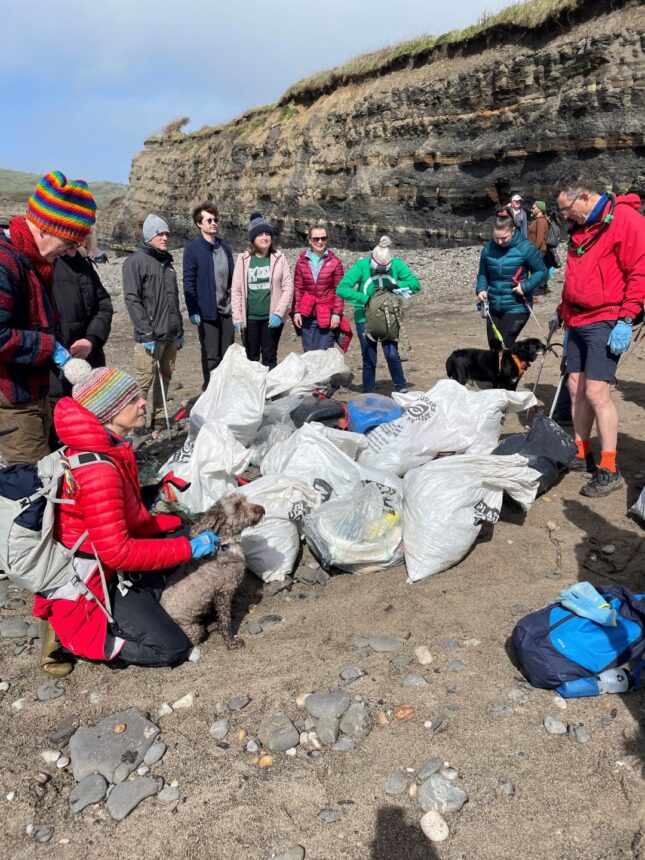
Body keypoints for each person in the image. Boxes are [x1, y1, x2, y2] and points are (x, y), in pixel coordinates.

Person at [32, 359, 219, 672]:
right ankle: (79, 639)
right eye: (132, 400)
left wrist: (163, 502)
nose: (143, 401)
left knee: (180, 534)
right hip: (91, 577)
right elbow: (117, 553)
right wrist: (189, 547)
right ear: (108, 413)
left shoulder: (109, 446)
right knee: (171, 647)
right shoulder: (99, 471)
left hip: (101, 560)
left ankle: (135, 603)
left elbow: (120, 517)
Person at [554, 173, 645, 497]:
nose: (564, 216)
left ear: (584, 197)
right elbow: (574, 277)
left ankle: (609, 467)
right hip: (577, 319)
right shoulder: (581, 228)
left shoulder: (625, 220)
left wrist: (626, 317)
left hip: (606, 318)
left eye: (566, 208)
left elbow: (639, 270)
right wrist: (564, 315)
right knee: (575, 385)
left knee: (596, 392)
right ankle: (582, 451)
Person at [0, 171, 96, 465]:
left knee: (48, 471)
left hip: (34, 391)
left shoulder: (33, 260)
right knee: (32, 486)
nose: (70, 252)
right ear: (44, 228)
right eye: (69, 243)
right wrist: (49, 347)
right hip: (14, 400)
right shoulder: (6, 262)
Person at [122, 214, 184, 433]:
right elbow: (132, 299)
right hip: (149, 335)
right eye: (160, 233)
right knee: (143, 380)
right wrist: (145, 332)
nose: (165, 237)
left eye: (166, 233)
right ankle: (137, 421)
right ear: (150, 236)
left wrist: (180, 330)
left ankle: (159, 416)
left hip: (170, 334)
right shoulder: (135, 262)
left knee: (165, 376)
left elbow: (173, 299)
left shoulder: (168, 263)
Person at [336, 236, 421, 393]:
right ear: (371, 260)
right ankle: (369, 391)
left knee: (392, 354)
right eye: (377, 270)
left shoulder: (396, 265)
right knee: (369, 357)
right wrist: (365, 299)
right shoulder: (361, 266)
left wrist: (395, 284)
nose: (380, 273)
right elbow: (342, 288)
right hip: (365, 318)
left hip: (389, 317)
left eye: (384, 270)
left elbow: (415, 284)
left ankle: (401, 387)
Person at [49, 232, 114, 415]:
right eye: (70, 245)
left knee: (94, 421)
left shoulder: (84, 265)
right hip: (57, 372)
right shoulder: (46, 266)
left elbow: (104, 306)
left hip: (90, 362)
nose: (73, 251)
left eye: (78, 243)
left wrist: (91, 339)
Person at [476, 210, 547, 349]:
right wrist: (481, 289)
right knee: (494, 349)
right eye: (496, 237)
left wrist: (525, 287)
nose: (500, 241)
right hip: (493, 307)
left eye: (504, 238)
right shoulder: (487, 250)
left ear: (513, 231)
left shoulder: (525, 248)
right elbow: (483, 274)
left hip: (517, 307)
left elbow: (542, 271)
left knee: (504, 346)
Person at [183, 201, 235, 390]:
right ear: (199, 224)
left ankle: (227, 391)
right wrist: (193, 309)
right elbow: (188, 281)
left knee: (228, 354)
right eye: (209, 220)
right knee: (211, 355)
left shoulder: (225, 248)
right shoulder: (193, 249)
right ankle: (211, 391)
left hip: (227, 310)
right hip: (207, 312)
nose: (213, 223)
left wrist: (236, 306)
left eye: (215, 219)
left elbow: (232, 280)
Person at [231, 213, 294, 369]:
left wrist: (279, 313)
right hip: (250, 318)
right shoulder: (243, 259)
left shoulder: (279, 258)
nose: (265, 237)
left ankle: (269, 392)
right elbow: (236, 290)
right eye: (260, 234)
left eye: (267, 234)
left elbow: (288, 287)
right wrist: (237, 317)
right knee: (251, 358)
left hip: (271, 318)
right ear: (253, 238)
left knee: (269, 357)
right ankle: (254, 392)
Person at [292, 224, 344, 351]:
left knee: (325, 355)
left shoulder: (335, 262)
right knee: (309, 354)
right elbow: (298, 289)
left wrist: (337, 314)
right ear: (310, 240)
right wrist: (297, 311)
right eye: (316, 239)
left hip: (327, 313)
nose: (320, 242)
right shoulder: (301, 262)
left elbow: (339, 291)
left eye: (323, 238)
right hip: (307, 313)